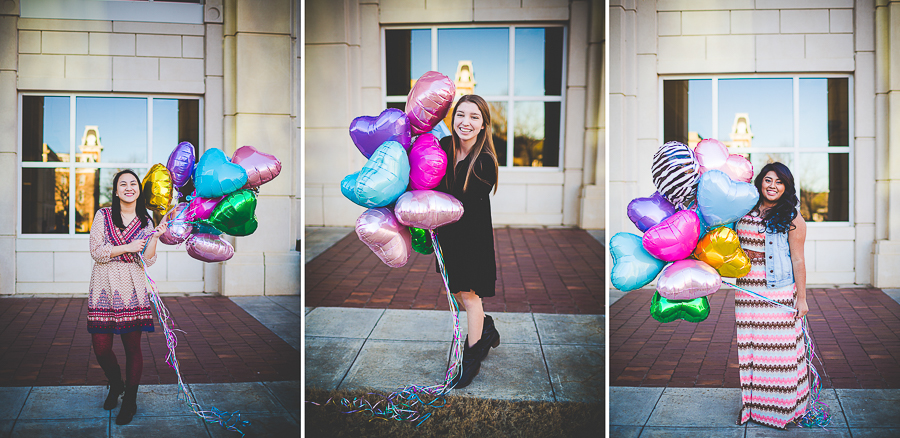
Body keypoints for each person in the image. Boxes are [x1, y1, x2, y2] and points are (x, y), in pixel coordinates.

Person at [88, 169, 167, 425]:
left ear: (139, 190)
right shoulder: (103, 215)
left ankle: (130, 400)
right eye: (123, 184)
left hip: (132, 289)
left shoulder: (146, 221)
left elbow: (148, 259)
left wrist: (154, 237)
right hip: (103, 288)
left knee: (133, 348)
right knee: (101, 348)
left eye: (133, 183)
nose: (129, 187)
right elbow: (97, 252)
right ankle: (115, 383)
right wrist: (127, 247)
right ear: (116, 190)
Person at [734, 162, 809, 429]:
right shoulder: (743, 210)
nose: (772, 186)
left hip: (778, 292)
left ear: (786, 186)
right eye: (768, 180)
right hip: (747, 290)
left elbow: (798, 260)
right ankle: (753, 408)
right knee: (751, 349)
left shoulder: (792, 218)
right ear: (759, 183)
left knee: (781, 353)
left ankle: (782, 410)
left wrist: (801, 298)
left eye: (779, 182)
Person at [435, 94, 501, 389]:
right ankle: (486, 329)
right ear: (453, 118)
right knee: (460, 295)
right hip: (448, 236)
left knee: (471, 299)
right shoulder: (443, 148)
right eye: (461, 115)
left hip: (471, 241)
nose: (466, 122)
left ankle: (471, 359)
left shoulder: (484, 161)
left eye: (475, 117)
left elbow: (456, 201)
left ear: (484, 124)